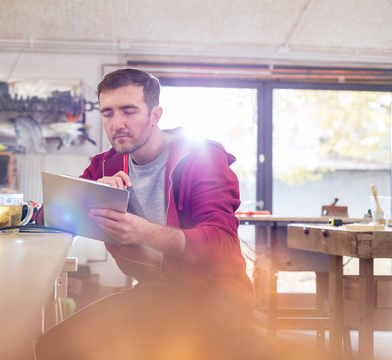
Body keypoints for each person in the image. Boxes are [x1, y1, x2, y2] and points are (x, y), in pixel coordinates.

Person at [34, 68, 257, 360]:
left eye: (129, 111)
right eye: (108, 113)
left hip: (217, 292)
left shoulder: (202, 158)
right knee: (54, 347)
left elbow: (221, 245)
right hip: (158, 292)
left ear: (155, 115)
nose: (117, 124)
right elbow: (48, 216)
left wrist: (144, 231)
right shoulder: (104, 166)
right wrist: (89, 193)